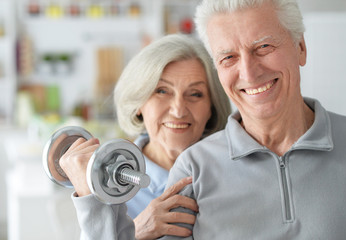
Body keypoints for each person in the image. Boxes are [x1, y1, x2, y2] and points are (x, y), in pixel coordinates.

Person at [159, 0, 346, 239]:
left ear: (301, 47)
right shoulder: (193, 169)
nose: (249, 73)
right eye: (228, 58)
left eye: (264, 46)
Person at [59, 33, 231, 240]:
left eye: (195, 94)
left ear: (211, 108)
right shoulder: (108, 187)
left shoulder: (230, 174)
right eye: (162, 91)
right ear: (139, 103)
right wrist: (136, 232)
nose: (178, 110)